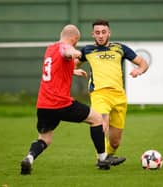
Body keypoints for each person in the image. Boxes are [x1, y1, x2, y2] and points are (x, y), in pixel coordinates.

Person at [20, 24, 112, 175]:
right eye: (76, 42)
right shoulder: (66, 48)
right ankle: (103, 159)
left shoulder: (50, 49)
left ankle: (29, 158)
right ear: (74, 39)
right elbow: (66, 51)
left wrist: (73, 71)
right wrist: (74, 52)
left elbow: (56, 67)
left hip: (43, 104)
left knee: (45, 138)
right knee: (97, 119)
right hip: (60, 103)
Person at [78, 19, 149, 165]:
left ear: (109, 33)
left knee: (115, 142)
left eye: (104, 32)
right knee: (101, 123)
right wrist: (74, 70)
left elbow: (143, 63)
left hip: (118, 96)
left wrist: (139, 70)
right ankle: (101, 158)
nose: (101, 35)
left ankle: (107, 156)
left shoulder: (120, 48)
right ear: (93, 34)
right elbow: (71, 64)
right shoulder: (87, 50)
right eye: (97, 33)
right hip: (99, 94)